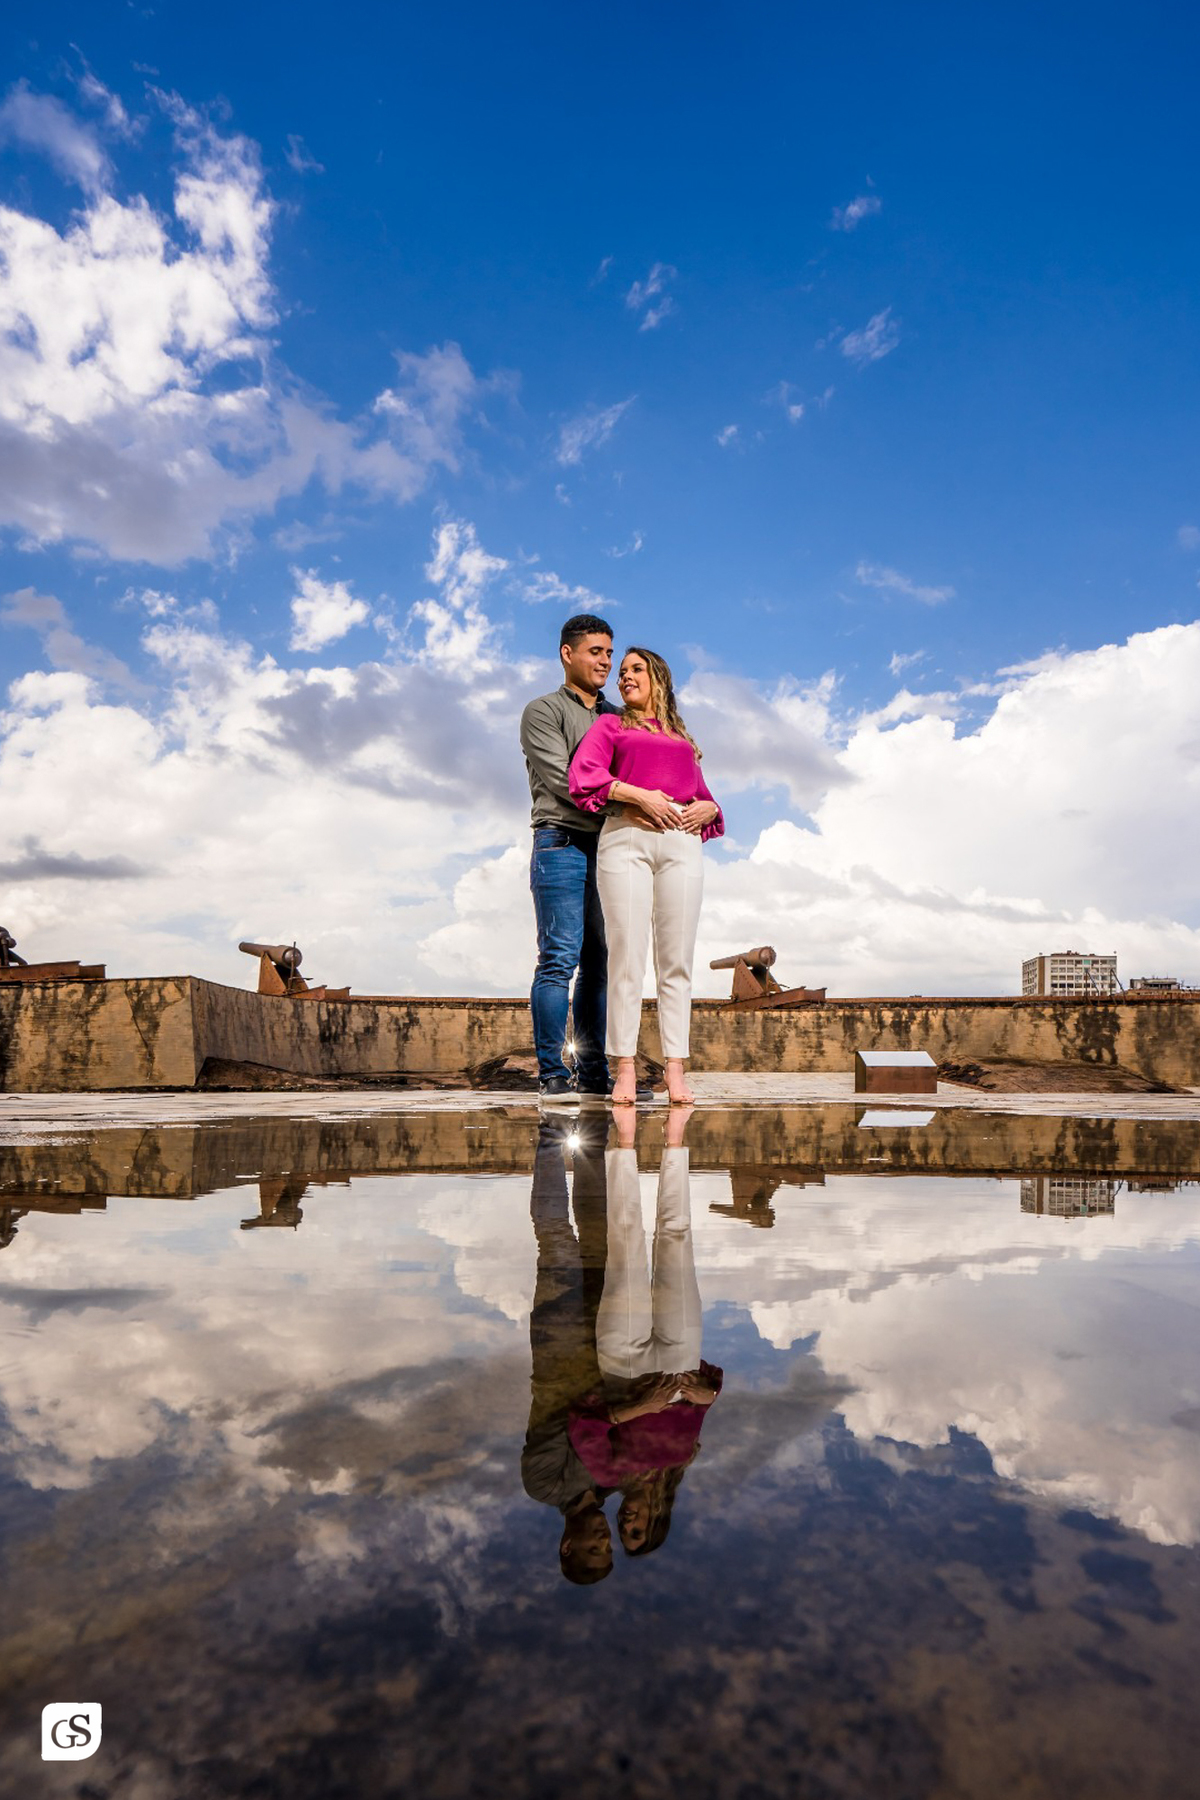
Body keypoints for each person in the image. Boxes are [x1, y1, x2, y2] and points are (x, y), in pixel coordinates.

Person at [568, 646, 723, 1106]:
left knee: (676, 962)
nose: (624, 677)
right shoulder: (610, 725)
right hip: (627, 841)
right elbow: (585, 777)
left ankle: (676, 1068)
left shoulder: (681, 737)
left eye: (635, 669)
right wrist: (643, 796)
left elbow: (703, 794)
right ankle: (625, 1069)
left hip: (682, 844)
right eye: (621, 672)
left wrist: (710, 805)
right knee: (627, 959)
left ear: (658, 677)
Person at [520, 614, 621, 1103]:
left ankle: (595, 1073)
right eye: (595, 651)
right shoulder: (542, 711)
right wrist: (630, 798)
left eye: (609, 652)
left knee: (600, 964)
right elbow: (565, 782)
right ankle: (551, 1074)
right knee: (558, 959)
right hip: (560, 844)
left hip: (609, 852)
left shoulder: (620, 718)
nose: (605, 661)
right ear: (567, 653)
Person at [520, 1111, 615, 1585]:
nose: (603, 1538)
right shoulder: (613, 1480)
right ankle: (594, 1129)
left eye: (592, 1549)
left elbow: (571, 1422)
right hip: (605, 1346)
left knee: (555, 1238)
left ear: (567, 1545)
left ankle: (552, 1130)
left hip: (558, 1351)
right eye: (607, 1546)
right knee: (599, 1238)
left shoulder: (543, 1485)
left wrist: (623, 1416)